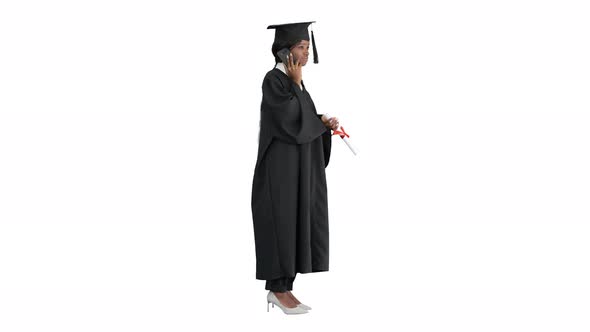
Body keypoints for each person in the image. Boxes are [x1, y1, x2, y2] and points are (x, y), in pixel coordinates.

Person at [251, 21, 339, 315]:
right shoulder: (273, 80)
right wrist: (298, 84)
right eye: (301, 47)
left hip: (294, 171)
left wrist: (322, 123)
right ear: (285, 53)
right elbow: (290, 120)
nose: (306, 52)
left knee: (294, 225)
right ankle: (276, 289)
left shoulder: (293, 81)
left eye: (307, 47)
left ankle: (285, 288)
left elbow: (303, 119)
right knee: (280, 224)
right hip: (278, 173)